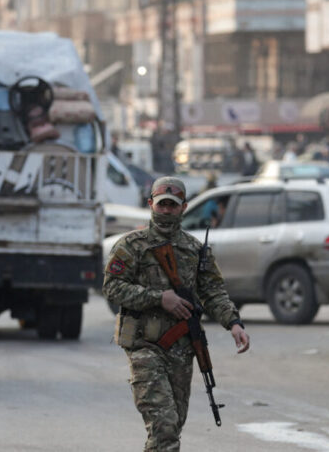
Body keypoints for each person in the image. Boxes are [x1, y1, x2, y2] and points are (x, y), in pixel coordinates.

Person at [103, 176, 250, 451]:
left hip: (181, 349)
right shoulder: (131, 246)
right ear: (151, 205)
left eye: (173, 205)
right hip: (144, 346)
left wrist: (234, 323)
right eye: (162, 205)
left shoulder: (195, 250)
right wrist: (159, 299)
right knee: (165, 426)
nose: (167, 211)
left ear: (183, 207)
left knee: (172, 428)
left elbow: (212, 291)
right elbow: (112, 288)